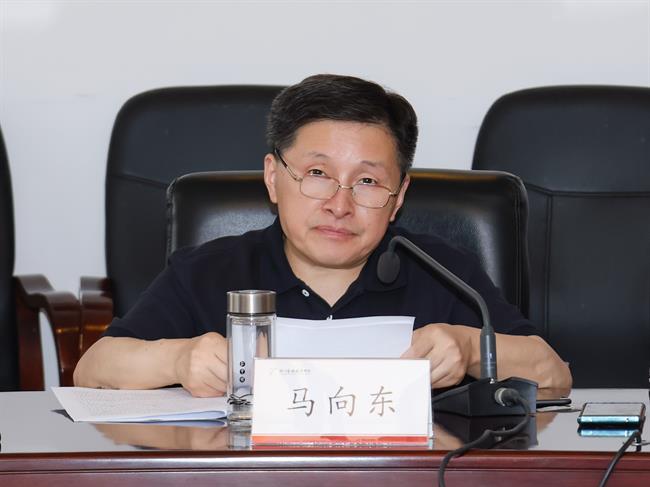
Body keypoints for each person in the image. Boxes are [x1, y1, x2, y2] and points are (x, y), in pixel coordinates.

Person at [74, 74, 572, 396]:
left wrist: (468, 347)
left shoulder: (442, 272)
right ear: (274, 177)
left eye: (368, 181)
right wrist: (178, 359)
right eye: (317, 174)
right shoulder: (209, 270)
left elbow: (554, 374)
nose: (339, 204)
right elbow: (93, 370)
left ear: (398, 196)